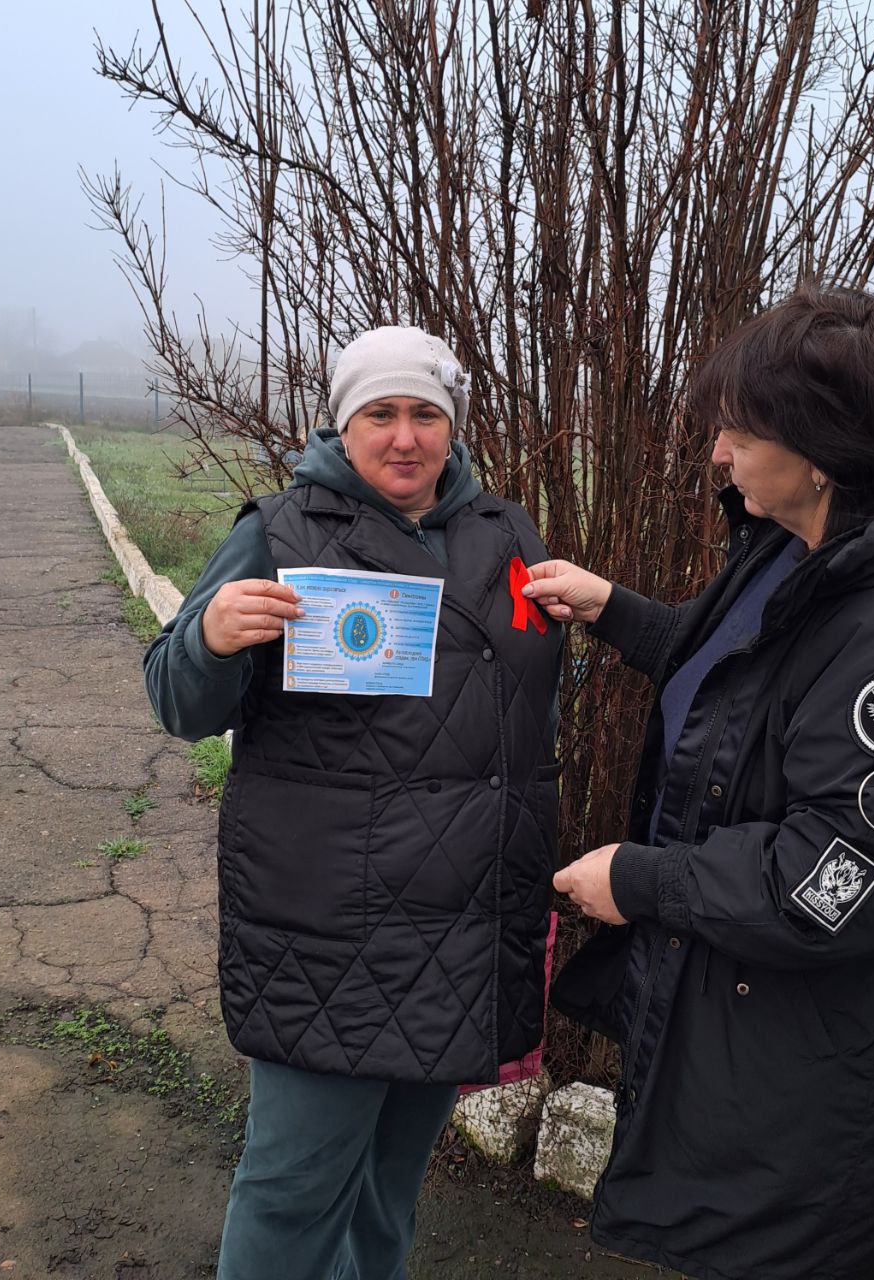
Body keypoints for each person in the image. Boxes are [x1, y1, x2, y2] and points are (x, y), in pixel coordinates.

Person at [522, 288, 874, 1280]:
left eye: (738, 428)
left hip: (817, 1085)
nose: (718, 452)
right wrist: (618, 610)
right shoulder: (800, 552)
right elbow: (750, 686)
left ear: (819, 448)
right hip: (747, 1041)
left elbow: (844, 875)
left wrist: (642, 880)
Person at [144, 327, 563, 1280]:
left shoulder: (505, 533)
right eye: (382, 414)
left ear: (453, 426)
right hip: (326, 933)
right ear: (344, 421)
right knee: (292, 1194)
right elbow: (175, 698)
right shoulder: (279, 531)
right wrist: (209, 637)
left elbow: (519, 709)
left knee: (387, 1193)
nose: (406, 437)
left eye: (427, 414)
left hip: (457, 924)